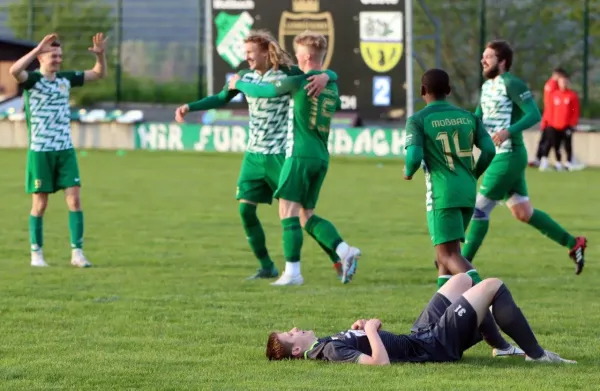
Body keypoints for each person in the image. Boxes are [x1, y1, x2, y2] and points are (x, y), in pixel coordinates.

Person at [175, 30, 345, 282]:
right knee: (245, 211)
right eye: (245, 53)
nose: (247, 58)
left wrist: (327, 75)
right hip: (254, 155)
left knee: (298, 214)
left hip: (281, 154)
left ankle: (337, 258)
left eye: (251, 53)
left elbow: (320, 75)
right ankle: (267, 265)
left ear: (266, 52)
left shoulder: (289, 74)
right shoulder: (244, 76)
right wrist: (190, 107)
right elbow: (222, 97)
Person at [403, 68, 522, 358]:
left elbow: (415, 157)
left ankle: (487, 298)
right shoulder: (469, 116)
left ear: (423, 92)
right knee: (443, 263)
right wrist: (472, 174)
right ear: (450, 90)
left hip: (442, 195)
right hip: (467, 191)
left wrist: (407, 171)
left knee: (448, 256)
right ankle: (440, 326)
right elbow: (490, 151)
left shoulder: (418, 119)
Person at [229, 31, 360, 286]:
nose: (295, 60)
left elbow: (266, 91)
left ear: (308, 56)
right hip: (321, 155)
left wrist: (238, 84)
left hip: (299, 154)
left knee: (287, 211)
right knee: (306, 215)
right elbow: (331, 74)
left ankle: (293, 273)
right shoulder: (330, 85)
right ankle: (343, 251)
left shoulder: (299, 81)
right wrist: (328, 73)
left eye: (298, 55)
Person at [462, 40, 587, 275]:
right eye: (483, 56)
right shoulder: (487, 86)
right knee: (523, 213)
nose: (483, 60)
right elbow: (479, 116)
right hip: (499, 155)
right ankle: (574, 243)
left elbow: (534, 114)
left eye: (488, 57)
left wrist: (508, 131)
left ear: (502, 62)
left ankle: (460, 264)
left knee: (480, 208)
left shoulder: (511, 83)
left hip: (509, 154)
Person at [265, 273, 576, 365]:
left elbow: (363, 345)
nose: (295, 329)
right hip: (432, 347)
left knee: (462, 280)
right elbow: (379, 364)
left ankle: (502, 347)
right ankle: (537, 356)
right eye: (290, 334)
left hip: (419, 337)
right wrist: (372, 331)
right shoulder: (328, 352)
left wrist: (359, 329)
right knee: (492, 286)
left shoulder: (324, 344)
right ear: (296, 350)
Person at [9, 33, 108, 268]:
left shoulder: (66, 79)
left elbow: (98, 74)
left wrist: (101, 56)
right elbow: (14, 70)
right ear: (41, 58)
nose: (57, 60)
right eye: (52, 55)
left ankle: (77, 253)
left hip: (65, 150)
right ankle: (37, 254)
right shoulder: (32, 80)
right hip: (41, 151)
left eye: (60, 56)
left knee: (74, 200)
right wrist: (37, 48)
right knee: (40, 205)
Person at [539, 70, 582, 171]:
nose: (563, 83)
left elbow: (575, 111)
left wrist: (573, 124)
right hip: (554, 124)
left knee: (567, 144)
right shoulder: (554, 95)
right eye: (562, 81)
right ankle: (556, 163)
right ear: (558, 82)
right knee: (554, 144)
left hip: (566, 125)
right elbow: (549, 109)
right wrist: (547, 122)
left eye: (565, 81)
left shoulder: (572, 95)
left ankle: (568, 162)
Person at [529, 68, 562, 168]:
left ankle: (539, 158)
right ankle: (542, 159)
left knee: (545, 139)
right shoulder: (553, 86)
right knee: (549, 139)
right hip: (550, 118)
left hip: (548, 117)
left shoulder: (550, 84)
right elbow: (551, 104)